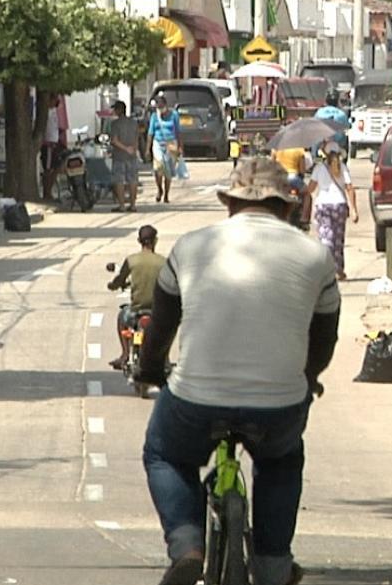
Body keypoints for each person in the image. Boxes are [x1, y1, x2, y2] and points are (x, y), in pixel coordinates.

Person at [135, 158, 341, 585]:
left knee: (165, 453)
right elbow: (323, 342)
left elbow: (160, 328)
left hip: (195, 400)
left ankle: (188, 544)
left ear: (228, 202)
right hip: (279, 405)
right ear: (287, 207)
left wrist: (150, 370)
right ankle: (273, 567)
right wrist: (307, 378)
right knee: (281, 461)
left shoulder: (189, 247)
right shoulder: (316, 257)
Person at [106, 225, 165, 369]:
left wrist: (112, 285)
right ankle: (166, 358)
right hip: (156, 313)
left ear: (139, 241)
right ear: (155, 241)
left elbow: (119, 280)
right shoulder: (163, 262)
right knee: (167, 330)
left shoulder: (132, 260)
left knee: (122, 317)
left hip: (136, 311)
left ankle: (125, 355)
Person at [307, 143, 359, 280]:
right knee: (338, 240)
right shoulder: (343, 168)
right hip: (340, 205)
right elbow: (350, 188)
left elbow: (310, 188)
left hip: (323, 205)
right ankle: (338, 270)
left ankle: (327, 270)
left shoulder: (319, 168)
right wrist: (353, 209)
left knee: (326, 239)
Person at [147, 96, 182, 204]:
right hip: (158, 143)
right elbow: (150, 133)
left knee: (168, 171)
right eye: (158, 106)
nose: (160, 108)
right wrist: (147, 149)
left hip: (171, 144)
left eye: (161, 105)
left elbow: (178, 131)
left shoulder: (174, 115)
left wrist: (180, 147)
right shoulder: (154, 116)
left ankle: (166, 194)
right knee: (158, 168)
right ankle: (159, 189)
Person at [108, 100, 141, 212]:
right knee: (133, 180)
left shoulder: (115, 124)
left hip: (119, 156)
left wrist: (125, 148)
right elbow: (137, 138)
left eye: (115, 109)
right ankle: (133, 205)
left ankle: (122, 205)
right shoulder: (134, 123)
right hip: (132, 155)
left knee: (119, 180)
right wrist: (133, 149)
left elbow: (115, 140)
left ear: (119, 110)